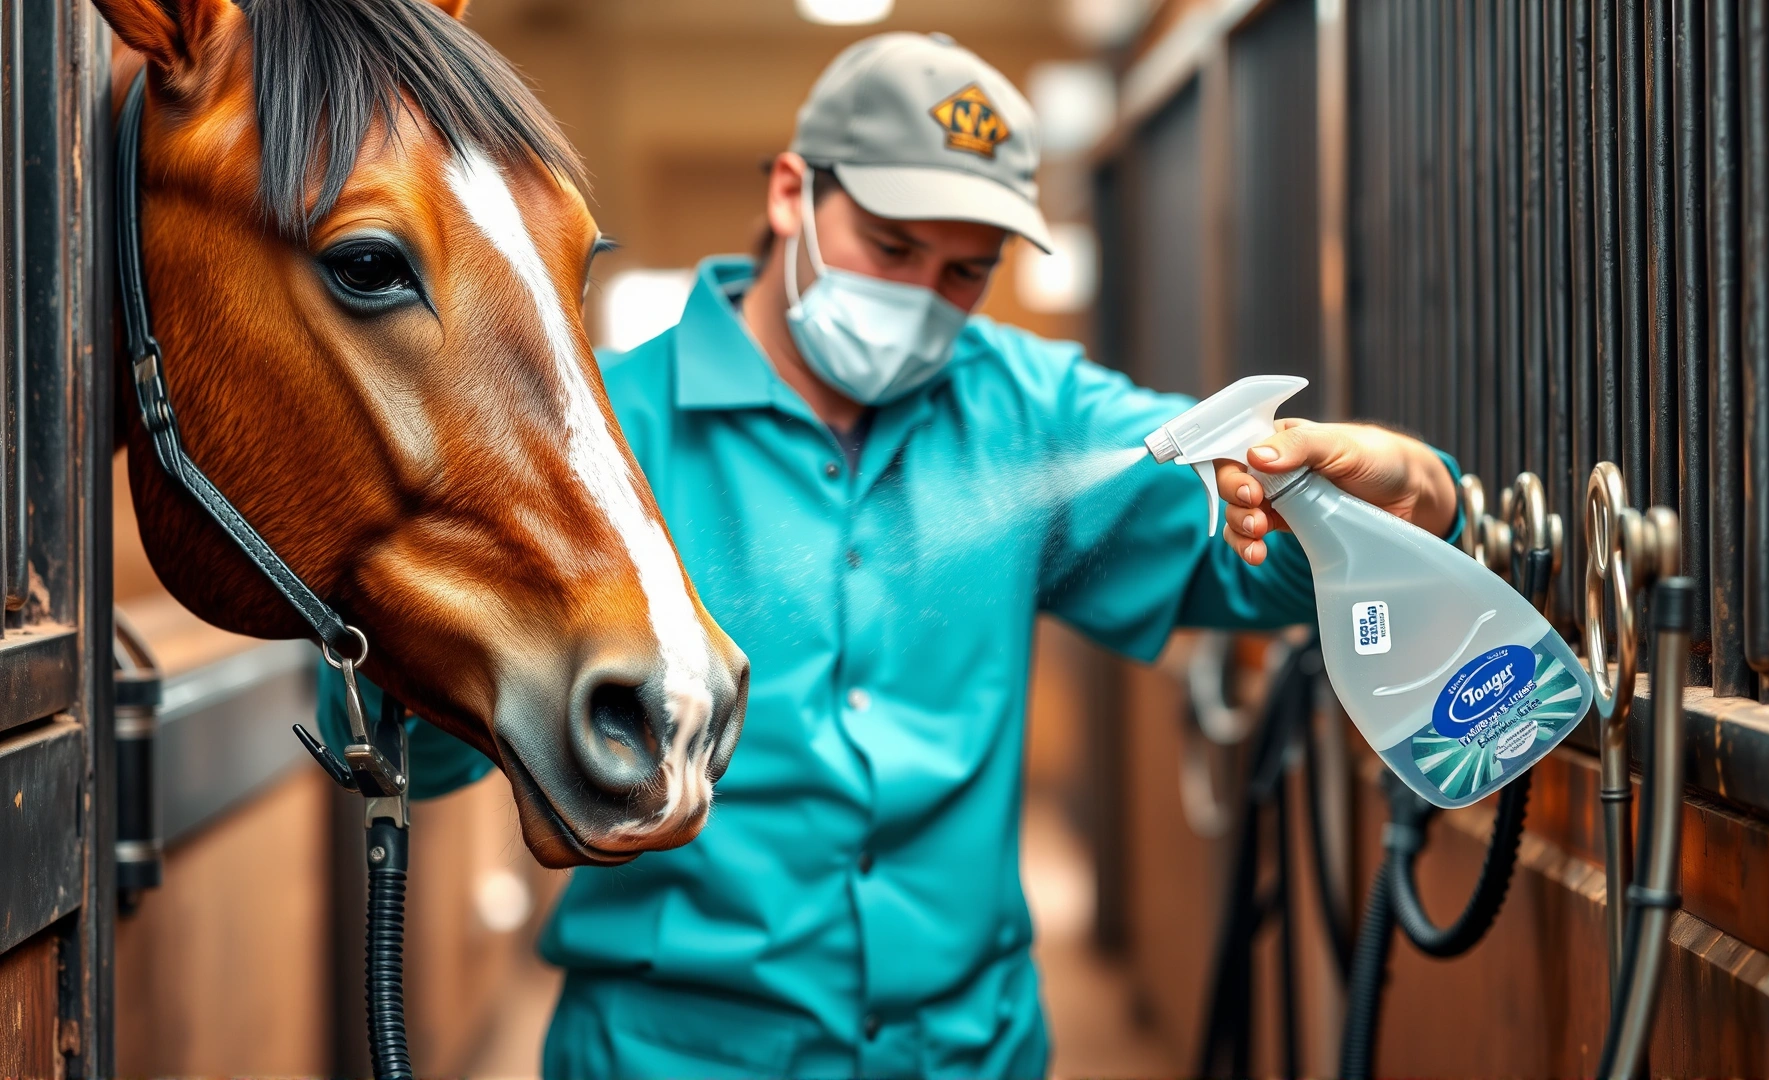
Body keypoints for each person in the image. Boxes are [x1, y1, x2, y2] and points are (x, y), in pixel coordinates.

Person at [319, 31, 1462, 1079]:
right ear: (790, 193)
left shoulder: (1034, 411)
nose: (922, 297)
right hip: (677, 1053)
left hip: (969, 1050)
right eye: (893, 245)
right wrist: (404, 650)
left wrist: (1393, 496)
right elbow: (431, 754)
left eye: (965, 273)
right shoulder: (604, 437)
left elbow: (1249, 570)